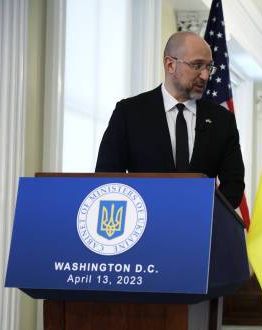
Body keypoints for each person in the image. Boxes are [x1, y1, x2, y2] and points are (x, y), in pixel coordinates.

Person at [96, 32, 245, 208]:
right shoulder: (129, 113)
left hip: (200, 229)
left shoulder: (222, 120)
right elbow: (107, 177)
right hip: (144, 227)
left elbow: (234, 185)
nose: (205, 76)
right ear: (170, 64)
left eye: (209, 67)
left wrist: (207, 215)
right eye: (197, 65)